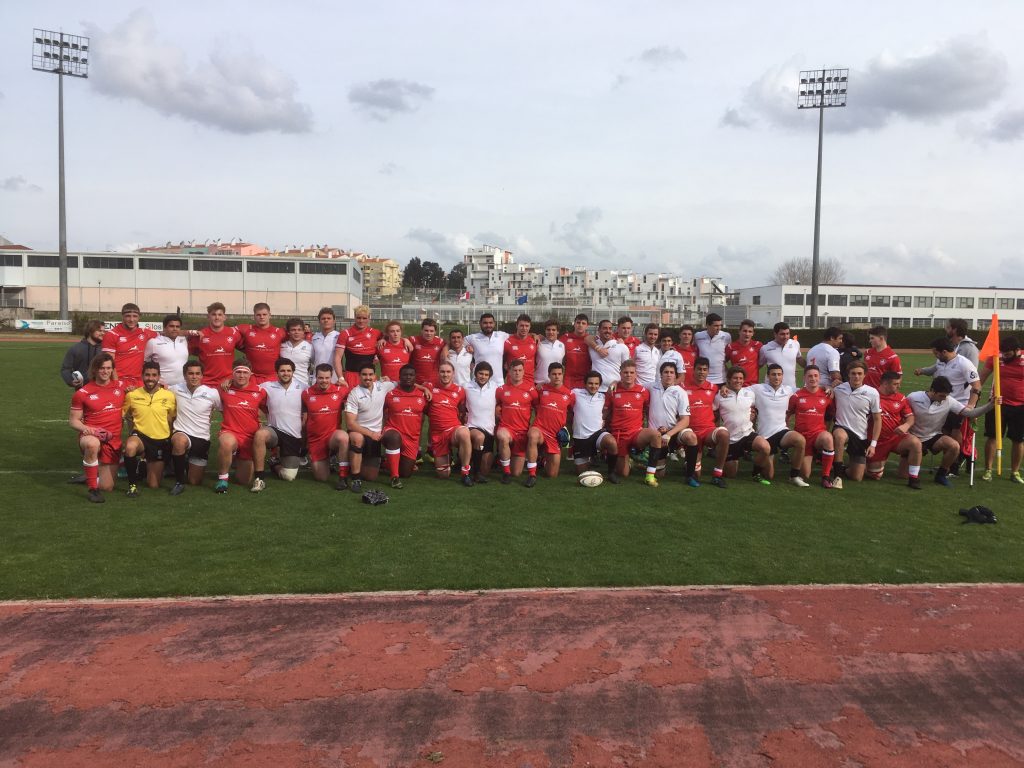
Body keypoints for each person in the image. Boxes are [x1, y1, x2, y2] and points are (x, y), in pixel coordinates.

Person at [906, 376, 995, 487]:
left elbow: (970, 413)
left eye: (946, 395)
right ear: (932, 391)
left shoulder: (949, 401)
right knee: (902, 475)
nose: (944, 398)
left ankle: (941, 475)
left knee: (954, 446)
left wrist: (991, 405)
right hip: (912, 437)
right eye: (941, 395)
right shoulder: (913, 397)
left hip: (933, 436)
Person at [915, 337, 981, 472]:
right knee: (943, 432)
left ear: (944, 352)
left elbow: (977, 385)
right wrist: (922, 371)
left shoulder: (964, 364)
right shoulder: (940, 362)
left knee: (955, 432)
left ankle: (955, 464)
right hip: (942, 404)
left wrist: (971, 406)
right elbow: (934, 372)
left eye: (936, 353)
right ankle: (948, 461)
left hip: (958, 404)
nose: (936, 356)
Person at [69, 352, 127, 503]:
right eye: (101, 368)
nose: (105, 371)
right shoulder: (83, 393)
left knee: (107, 486)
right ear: (94, 370)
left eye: (108, 368)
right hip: (91, 435)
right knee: (92, 444)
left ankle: (91, 475)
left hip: (112, 440)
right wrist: (88, 430)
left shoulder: (121, 387)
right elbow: (74, 421)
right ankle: (92, 490)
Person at [122, 361, 177, 497]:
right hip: (140, 436)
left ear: (159, 377)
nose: (150, 378)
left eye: (154, 375)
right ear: (142, 376)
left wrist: (169, 439)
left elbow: (173, 418)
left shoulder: (169, 396)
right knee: (130, 447)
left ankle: (142, 463)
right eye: (147, 375)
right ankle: (132, 486)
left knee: (153, 485)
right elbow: (121, 415)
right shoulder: (132, 395)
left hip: (160, 440)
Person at [251, 357, 305, 492]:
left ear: (293, 372)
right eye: (282, 371)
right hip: (274, 430)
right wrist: (229, 381)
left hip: (293, 436)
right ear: (277, 372)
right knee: (260, 434)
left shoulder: (303, 387)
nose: (285, 373)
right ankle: (259, 478)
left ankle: (274, 463)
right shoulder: (267, 386)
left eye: (288, 370)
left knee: (288, 476)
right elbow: (246, 388)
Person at [168, 360, 223, 493]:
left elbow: (225, 411)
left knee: (194, 481)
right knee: (179, 441)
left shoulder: (212, 393)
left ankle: (184, 461)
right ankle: (179, 482)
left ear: (202, 375)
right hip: (182, 433)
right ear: (184, 375)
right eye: (191, 373)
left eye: (197, 373)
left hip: (201, 439)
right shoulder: (174, 389)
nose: (194, 376)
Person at [214, 360, 268, 493]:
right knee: (226, 443)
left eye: (245, 372)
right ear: (232, 374)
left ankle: (234, 456)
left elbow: (267, 410)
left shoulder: (260, 392)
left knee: (243, 480)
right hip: (230, 431)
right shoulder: (223, 388)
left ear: (251, 374)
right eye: (238, 372)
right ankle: (223, 479)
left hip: (249, 437)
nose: (241, 375)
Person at [607, 359, 662, 486]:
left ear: (636, 374)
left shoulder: (643, 391)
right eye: (625, 372)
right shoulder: (612, 391)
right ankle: (631, 458)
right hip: (619, 434)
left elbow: (649, 410)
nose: (629, 375)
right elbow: (606, 412)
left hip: (636, 432)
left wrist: (651, 427)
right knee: (623, 473)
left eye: (632, 372)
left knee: (656, 435)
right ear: (620, 374)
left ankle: (649, 475)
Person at [345, 364, 399, 491]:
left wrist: (423, 388)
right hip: (360, 432)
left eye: (370, 374)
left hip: (375, 436)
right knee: (357, 439)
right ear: (359, 376)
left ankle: (354, 461)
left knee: (371, 476)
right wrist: (370, 434)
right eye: (364, 374)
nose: (367, 377)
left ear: (375, 376)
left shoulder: (382, 386)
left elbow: (401, 382)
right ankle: (355, 478)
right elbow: (350, 424)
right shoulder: (354, 394)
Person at [751, 363, 807, 485]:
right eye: (773, 374)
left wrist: (825, 388)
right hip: (764, 436)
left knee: (800, 440)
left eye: (779, 374)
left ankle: (794, 476)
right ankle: (757, 468)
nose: (776, 377)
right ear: (767, 376)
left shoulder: (789, 390)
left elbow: (809, 390)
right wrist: (725, 388)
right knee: (769, 475)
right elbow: (738, 389)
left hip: (782, 431)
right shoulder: (758, 389)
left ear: (782, 376)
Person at [865, 371, 923, 489]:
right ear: (885, 384)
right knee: (875, 475)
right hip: (877, 441)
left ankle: (913, 479)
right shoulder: (871, 395)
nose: (899, 386)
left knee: (915, 443)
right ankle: (859, 464)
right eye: (896, 384)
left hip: (896, 438)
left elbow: (910, 417)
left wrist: (906, 426)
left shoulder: (901, 398)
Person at [830, 361, 882, 486]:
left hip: (860, 436)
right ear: (848, 375)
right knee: (840, 436)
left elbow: (877, 419)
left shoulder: (872, 393)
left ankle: (843, 469)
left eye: (859, 373)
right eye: (853, 373)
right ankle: (837, 476)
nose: (856, 376)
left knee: (857, 477)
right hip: (841, 427)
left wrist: (873, 444)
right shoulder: (839, 389)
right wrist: (828, 387)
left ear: (865, 375)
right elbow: (823, 390)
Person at [980, 336, 1024, 483]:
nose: (1004, 356)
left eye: (1008, 354)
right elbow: (982, 377)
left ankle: (1015, 472)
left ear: (1017, 351)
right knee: (992, 436)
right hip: (997, 403)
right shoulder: (995, 357)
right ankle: (988, 469)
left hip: (1020, 406)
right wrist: (975, 394)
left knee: (1018, 440)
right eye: (1003, 353)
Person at [715, 367, 770, 482]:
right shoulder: (720, 395)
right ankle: (728, 458)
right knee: (731, 474)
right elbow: (713, 412)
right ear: (729, 379)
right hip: (730, 439)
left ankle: (756, 474)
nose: (738, 381)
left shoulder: (749, 393)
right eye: (735, 378)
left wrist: (753, 414)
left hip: (747, 433)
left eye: (741, 378)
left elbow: (755, 408)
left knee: (765, 447)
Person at [682, 358, 731, 487]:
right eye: (699, 369)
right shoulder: (682, 387)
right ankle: (689, 460)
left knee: (724, 434)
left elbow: (724, 394)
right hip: (690, 431)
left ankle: (717, 475)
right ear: (693, 370)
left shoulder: (713, 388)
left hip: (707, 430)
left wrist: (724, 387)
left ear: (708, 371)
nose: (701, 372)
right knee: (696, 474)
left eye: (704, 370)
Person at [524, 362, 575, 485]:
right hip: (540, 429)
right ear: (548, 375)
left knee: (552, 475)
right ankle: (532, 474)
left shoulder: (570, 394)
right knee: (532, 435)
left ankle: (542, 459)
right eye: (553, 374)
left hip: (554, 436)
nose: (557, 376)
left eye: (559, 374)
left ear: (563, 375)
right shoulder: (542, 389)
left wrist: (567, 432)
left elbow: (571, 415)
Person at [381, 365, 431, 487]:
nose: (408, 377)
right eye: (405, 375)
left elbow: (432, 413)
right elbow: (379, 410)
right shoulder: (390, 394)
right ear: (400, 377)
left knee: (406, 473)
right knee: (394, 437)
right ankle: (394, 477)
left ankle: (387, 462)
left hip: (412, 439)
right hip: (392, 432)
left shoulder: (422, 396)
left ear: (415, 377)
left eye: (411, 375)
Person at [302, 363, 351, 488]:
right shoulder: (306, 394)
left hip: (332, 436)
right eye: (321, 378)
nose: (324, 381)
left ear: (331, 377)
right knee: (321, 477)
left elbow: (361, 393)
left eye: (327, 378)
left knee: (343, 437)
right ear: (316, 378)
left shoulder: (341, 390)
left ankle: (343, 477)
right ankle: (330, 459)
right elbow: (303, 418)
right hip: (316, 439)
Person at [788, 365, 837, 488]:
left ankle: (826, 477)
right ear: (804, 377)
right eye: (809, 376)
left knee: (828, 438)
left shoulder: (826, 395)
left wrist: (829, 387)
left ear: (819, 377)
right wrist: (786, 430)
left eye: (815, 376)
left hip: (818, 434)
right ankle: (813, 455)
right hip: (803, 437)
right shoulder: (796, 396)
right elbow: (788, 414)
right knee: (805, 474)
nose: (813, 378)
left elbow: (831, 414)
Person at [648, 361, 696, 485]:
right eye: (666, 372)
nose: (669, 375)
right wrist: (615, 382)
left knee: (691, 437)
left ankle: (690, 475)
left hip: (674, 432)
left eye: (672, 372)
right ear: (661, 374)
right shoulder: (651, 387)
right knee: (660, 475)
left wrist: (669, 434)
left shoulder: (680, 392)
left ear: (675, 376)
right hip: (657, 435)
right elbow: (632, 385)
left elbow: (685, 420)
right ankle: (652, 461)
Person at [428, 360, 473, 485]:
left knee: (464, 432)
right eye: (442, 372)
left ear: (453, 374)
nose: (445, 375)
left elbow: (463, 411)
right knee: (443, 475)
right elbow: (414, 386)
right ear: (438, 373)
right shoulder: (430, 387)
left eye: (448, 372)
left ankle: (465, 472)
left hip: (453, 430)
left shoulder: (460, 391)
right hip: (437, 434)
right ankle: (450, 455)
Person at [495, 359, 539, 482]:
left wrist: (534, 426)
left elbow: (538, 408)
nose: (517, 373)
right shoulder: (501, 390)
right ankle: (506, 473)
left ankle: (523, 470)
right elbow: (497, 405)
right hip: (507, 429)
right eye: (514, 370)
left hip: (523, 432)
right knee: (503, 437)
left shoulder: (530, 390)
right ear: (509, 371)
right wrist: (497, 409)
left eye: (520, 370)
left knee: (517, 473)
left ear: (524, 371)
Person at [570, 371, 619, 479]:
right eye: (590, 383)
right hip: (581, 437)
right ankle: (591, 458)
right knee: (581, 473)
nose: (593, 386)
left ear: (600, 385)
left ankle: (611, 473)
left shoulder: (603, 397)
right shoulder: (575, 393)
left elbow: (611, 406)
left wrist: (615, 381)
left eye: (596, 384)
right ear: (585, 383)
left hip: (597, 434)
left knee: (611, 442)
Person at [188, 302, 243, 388]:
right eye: (213, 314)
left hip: (228, 382)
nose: (217, 317)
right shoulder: (200, 335)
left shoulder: (233, 333)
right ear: (208, 316)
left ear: (224, 317)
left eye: (220, 315)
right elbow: (186, 354)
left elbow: (248, 349)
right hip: (206, 383)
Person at [102, 303, 158, 387]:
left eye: (135, 316)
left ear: (139, 317)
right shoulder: (112, 335)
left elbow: (165, 334)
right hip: (119, 380)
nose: (131, 319)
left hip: (138, 381)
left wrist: (185, 332)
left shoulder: (144, 332)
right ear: (122, 316)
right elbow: (109, 363)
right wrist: (116, 382)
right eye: (128, 316)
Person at [465, 361, 499, 482]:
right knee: (479, 437)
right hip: (472, 427)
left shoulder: (496, 388)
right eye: (480, 373)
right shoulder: (466, 387)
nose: (483, 376)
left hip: (489, 430)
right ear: (475, 373)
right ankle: (475, 473)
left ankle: (473, 465)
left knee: (486, 470)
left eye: (486, 374)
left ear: (489, 376)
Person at [334, 305, 382, 389]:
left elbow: (392, 338)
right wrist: (341, 378)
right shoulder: (345, 334)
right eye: (358, 318)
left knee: (370, 401)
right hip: (351, 376)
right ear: (354, 317)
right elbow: (337, 357)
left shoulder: (376, 333)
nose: (361, 321)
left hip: (369, 377)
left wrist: (404, 340)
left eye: (364, 318)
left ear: (369, 318)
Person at [237, 303, 285, 385]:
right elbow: (226, 332)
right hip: (251, 376)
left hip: (273, 377)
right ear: (254, 316)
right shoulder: (245, 329)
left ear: (270, 315)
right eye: (258, 315)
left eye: (264, 314)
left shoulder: (280, 332)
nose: (262, 317)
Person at [144, 315, 190, 388]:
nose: (175, 329)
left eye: (177, 327)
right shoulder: (153, 342)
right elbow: (144, 364)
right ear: (164, 328)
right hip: (162, 387)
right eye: (171, 326)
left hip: (183, 387)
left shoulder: (183, 340)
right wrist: (157, 382)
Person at [465, 313, 511, 386]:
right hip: (479, 382)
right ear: (480, 324)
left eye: (490, 323)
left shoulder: (502, 336)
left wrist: (533, 335)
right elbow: (456, 341)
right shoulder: (472, 338)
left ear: (494, 323)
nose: (488, 325)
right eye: (485, 323)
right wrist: (467, 345)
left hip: (498, 382)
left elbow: (517, 337)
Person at [759, 322, 803, 390]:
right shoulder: (765, 348)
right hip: (772, 389)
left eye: (787, 334)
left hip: (791, 388)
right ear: (775, 334)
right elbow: (758, 365)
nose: (786, 337)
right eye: (782, 334)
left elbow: (799, 359)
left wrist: (811, 366)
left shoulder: (795, 344)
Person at [589, 320, 631, 391]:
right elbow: (587, 338)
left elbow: (627, 369)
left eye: (610, 328)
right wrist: (598, 348)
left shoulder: (621, 346)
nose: (608, 330)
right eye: (605, 328)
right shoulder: (592, 345)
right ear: (599, 329)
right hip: (596, 389)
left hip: (614, 388)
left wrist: (620, 383)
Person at [61, 319, 104, 389]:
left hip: (102, 388)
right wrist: (71, 381)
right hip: (82, 389)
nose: (103, 333)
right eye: (100, 331)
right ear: (90, 331)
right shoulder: (75, 349)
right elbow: (66, 369)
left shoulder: (105, 349)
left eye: (103, 331)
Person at [694, 313, 732, 386]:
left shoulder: (726, 336)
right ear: (707, 325)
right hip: (703, 379)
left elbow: (728, 354)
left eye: (720, 325)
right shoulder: (698, 336)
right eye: (716, 326)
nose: (719, 328)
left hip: (721, 379)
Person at [410, 318, 447, 388]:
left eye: (431, 331)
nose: (429, 333)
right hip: (416, 383)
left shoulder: (441, 342)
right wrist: (405, 340)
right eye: (426, 330)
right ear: (422, 330)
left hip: (435, 383)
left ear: (435, 332)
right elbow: (398, 340)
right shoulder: (413, 340)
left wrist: (446, 348)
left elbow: (452, 344)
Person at [724, 319, 762, 385]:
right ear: (739, 331)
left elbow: (762, 362)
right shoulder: (731, 347)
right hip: (737, 385)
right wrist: (729, 374)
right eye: (744, 331)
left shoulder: (758, 345)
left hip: (753, 385)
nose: (747, 334)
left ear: (753, 333)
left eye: (750, 331)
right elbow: (722, 363)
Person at [559, 314, 592, 389]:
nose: (580, 325)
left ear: (587, 326)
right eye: (578, 323)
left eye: (583, 323)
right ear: (574, 324)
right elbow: (552, 342)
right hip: (568, 379)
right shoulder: (565, 338)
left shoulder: (590, 340)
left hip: (584, 379)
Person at [280, 317, 314, 388]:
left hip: (302, 386)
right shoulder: (281, 346)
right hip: (283, 386)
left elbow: (315, 366)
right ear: (288, 332)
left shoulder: (310, 347)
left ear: (303, 331)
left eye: (299, 330)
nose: (296, 332)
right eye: (293, 330)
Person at [310, 307, 340, 382]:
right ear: (319, 321)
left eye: (329, 318)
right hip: (318, 379)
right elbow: (312, 359)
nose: (326, 320)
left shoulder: (339, 337)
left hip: (334, 379)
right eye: (323, 318)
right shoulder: (314, 338)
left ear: (334, 320)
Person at [504, 314, 538, 382]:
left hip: (529, 382)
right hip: (512, 383)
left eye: (527, 326)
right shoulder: (508, 341)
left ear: (530, 326)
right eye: (521, 325)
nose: (524, 328)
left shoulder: (534, 341)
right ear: (517, 326)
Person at [534, 319, 566, 385]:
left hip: (556, 384)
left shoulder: (562, 346)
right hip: (539, 383)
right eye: (548, 330)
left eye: (553, 330)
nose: (551, 332)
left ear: (558, 332)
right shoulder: (538, 343)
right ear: (545, 331)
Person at [634, 323, 662, 389]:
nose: (653, 336)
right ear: (646, 334)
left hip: (653, 388)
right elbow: (630, 367)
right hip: (639, 386)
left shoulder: (658, 352)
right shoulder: (637, 349)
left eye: (655, 334)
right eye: (650, 334)